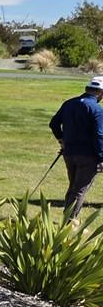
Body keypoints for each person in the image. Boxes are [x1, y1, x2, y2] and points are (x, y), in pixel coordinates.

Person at [49, 75, 103, 219]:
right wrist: (101, 157)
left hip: (69, 153)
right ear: (100, 93)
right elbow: (99, 136)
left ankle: (66, 220)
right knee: (79, 190)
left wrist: (62, 141)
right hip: (87, 156)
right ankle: (69, 224)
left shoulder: (69, 103)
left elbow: (54, 124)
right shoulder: (97, 109)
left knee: (73, 187)